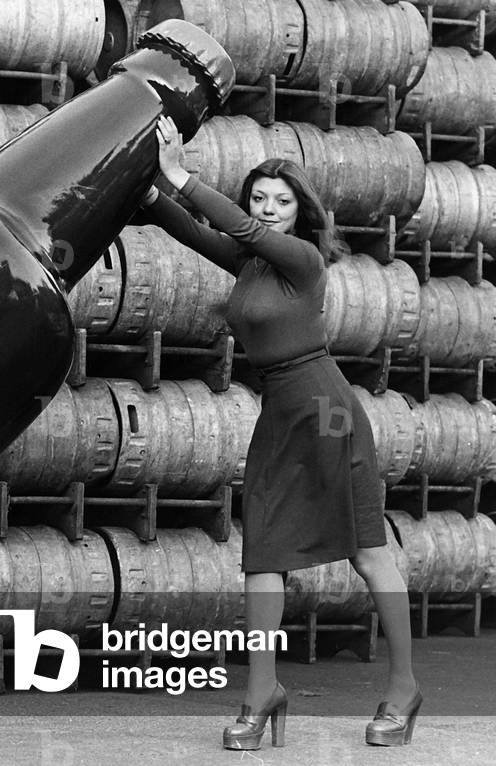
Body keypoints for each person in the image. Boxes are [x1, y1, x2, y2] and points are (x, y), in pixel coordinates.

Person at [139, 115, 421, 750]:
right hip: (279, 412)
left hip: (327, 409)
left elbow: (232, 224)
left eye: (281, 202)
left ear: (301, 212)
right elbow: (183, 225)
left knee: (366, 549)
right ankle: (262, 691)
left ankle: (404, 690)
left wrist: (183, 175)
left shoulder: (303, 260)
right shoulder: (249, 263)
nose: (267, 211)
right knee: (261, 552)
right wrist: (151, 187)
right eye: (259, 199)